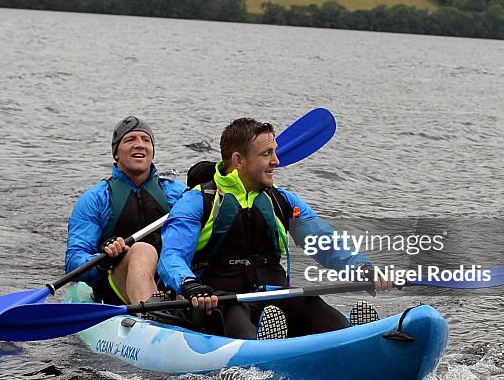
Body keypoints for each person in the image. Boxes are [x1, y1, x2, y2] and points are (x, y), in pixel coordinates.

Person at [157, 116, 389, 339]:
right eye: (267, 154)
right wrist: (190, 284)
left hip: (275, 296)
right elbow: (171, 256)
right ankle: (266, 350)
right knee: (235, 315)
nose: (276, 161)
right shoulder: (198, 201)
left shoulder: (282, 201)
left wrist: (362, 268)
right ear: (239, 161)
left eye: (275, 152)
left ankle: (354, 336)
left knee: (311, 304)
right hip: (219, 303)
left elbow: (325, 243)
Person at [65, 116, 186, 304]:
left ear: (152, 151)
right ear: (116, 154)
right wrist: (104, 259)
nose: (140, 145)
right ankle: (153, 314)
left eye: (146, 140)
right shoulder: (95, 199)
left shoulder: (177, 193)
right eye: (130, 140)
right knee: (142, 250)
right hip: (115, 288)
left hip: (168, 283)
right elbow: (74, 260)